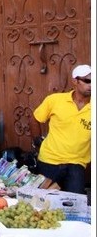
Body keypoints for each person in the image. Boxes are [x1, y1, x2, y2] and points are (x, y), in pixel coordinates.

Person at [31, 64, 91, 195]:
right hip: (49, 161)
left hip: (77, 164)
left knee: (73, 205)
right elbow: (36, 118)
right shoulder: (55, 100)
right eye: (87, 81)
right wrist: (37, 141)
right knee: (42, 202)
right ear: (75, 81)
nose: (91, 85)